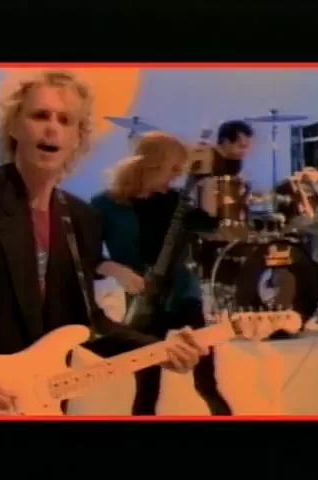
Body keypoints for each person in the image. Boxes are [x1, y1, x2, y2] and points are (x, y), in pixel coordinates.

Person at [0, 70, 208, 415]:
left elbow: (90, 323)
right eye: (40, 115)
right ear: (14, 126)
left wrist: (160, 350)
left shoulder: (81, 219)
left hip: (41, 401)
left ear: (77, 138)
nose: (52, 128)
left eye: (65, 120)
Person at [92, 131, 233, 416]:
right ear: (151, 165)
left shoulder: (174, 201)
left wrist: (207, 178)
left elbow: (209, 224)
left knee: (206, 382)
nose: (177, 175)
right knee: (147, 384)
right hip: (144, 301)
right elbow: (87, 256)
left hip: (183, 295)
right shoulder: (104, 205)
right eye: (173, 168)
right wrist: (117, 270)